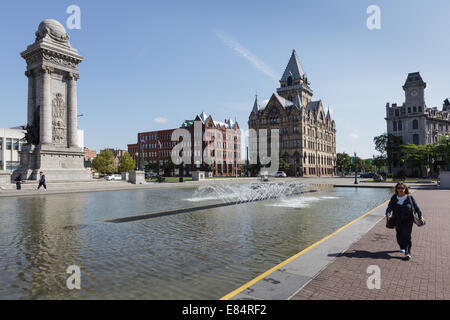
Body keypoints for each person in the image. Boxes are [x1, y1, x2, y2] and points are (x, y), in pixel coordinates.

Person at [385, 182, 425, 260]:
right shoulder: (394, 197)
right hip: (397, 220)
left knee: (407, 235)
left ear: (405, 189)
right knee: (399, 234)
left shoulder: (409, 197)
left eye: (402, 188)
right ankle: (402, 246)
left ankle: (407, 253)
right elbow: (389, 207)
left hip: (408, 220)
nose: (400, 190)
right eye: (399, 188)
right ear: (396, 189)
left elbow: (417, 208)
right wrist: (388, 213)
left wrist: (421, 216)